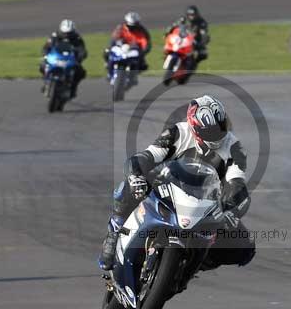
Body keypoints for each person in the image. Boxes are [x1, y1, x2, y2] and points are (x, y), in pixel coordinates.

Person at [98, 95, 255, 271]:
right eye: (211, 131)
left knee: (245, 247)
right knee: (131, 183)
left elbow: (236, 183)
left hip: (206, 202)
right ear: (194, 126)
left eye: (221, 127)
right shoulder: (178, 133)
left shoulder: (235, 147)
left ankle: (193, 264)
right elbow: (146, 156)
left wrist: (231, 210)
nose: (218, 134)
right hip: (167, 186)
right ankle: (114, 231)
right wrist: (136, 176)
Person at [40, 19, 88, 99]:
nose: (66, 35)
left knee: (81, 72)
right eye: (64, 33)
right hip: (56, 57)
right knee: (42, 65)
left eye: (69, 33)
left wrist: (80, 56)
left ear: (73, 31)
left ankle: (73, 88)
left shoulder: (77, 38)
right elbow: (47, 46)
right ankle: (46, 82)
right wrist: (45, 54)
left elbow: (82, 49)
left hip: (69, 59)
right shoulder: (55, 36)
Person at [105, 12, 152, 80]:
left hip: (135, 50)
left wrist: (143, 51)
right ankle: (109, 70)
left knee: (143, 65)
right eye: (130, 26)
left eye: (134, 26)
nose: (132, 28)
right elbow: (114, 38)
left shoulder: (142, 31)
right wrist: (113, 45)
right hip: (121, 48)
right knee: (107, 52)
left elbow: (146, 43)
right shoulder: (120, 28)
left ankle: (133, 75)